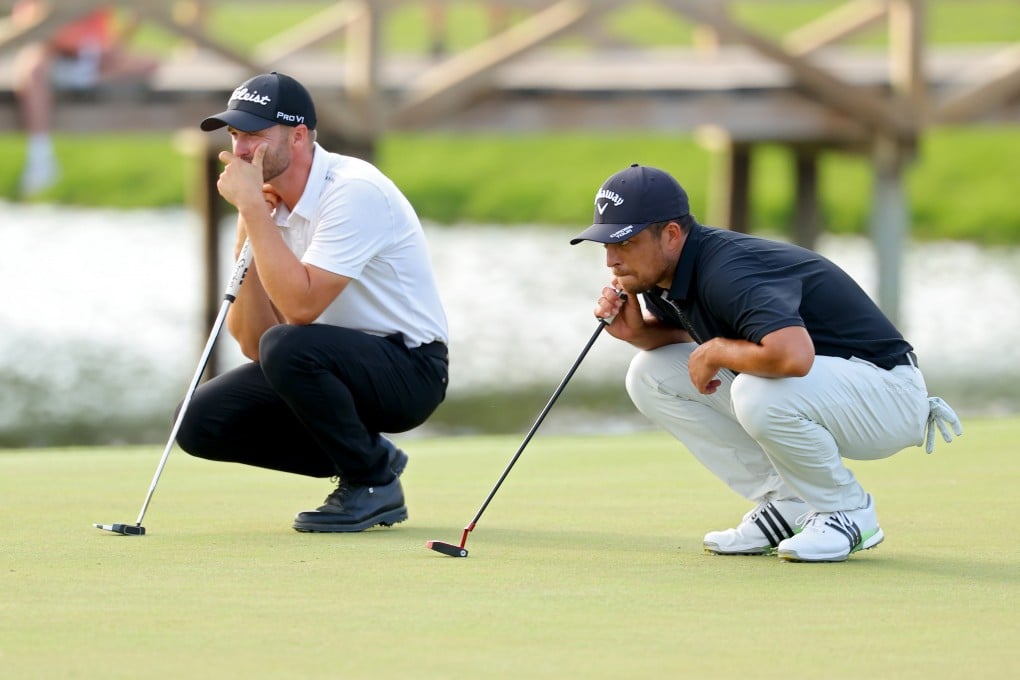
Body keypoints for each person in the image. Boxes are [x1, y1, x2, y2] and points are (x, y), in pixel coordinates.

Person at [571, 163, 962, 562]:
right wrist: (639, 334)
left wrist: (716, 351)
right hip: (831, 390)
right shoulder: (663, 276)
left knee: (755, 388)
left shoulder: (729, 270)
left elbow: (792, 355)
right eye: (606, 245)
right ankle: (788, 502)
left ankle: (847, 511)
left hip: (889, 396)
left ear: (671, 235)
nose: (611, 260)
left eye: (625, 243)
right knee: (650, 373)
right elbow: (695, 334)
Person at [175, 72, 450, 533]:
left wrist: (254, 213)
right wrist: (252, 222)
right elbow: (254, 343)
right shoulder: (268, 205)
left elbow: (299, 311)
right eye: (236, 135)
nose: (240, 150)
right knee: (200, 421)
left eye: (254, 135)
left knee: (290, 344)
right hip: (328, 366)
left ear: (297, 136)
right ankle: (368, 454)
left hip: (410, 370)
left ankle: (371, 483)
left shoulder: (354, 191)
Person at [11, 2, 158, 196]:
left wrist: (117, 44)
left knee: (149, 63)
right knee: (32, 70)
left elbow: (136, 12)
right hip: (55, 54)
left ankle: (85, 77)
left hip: (93, 55)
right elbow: (25, 22)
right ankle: (40, 158)